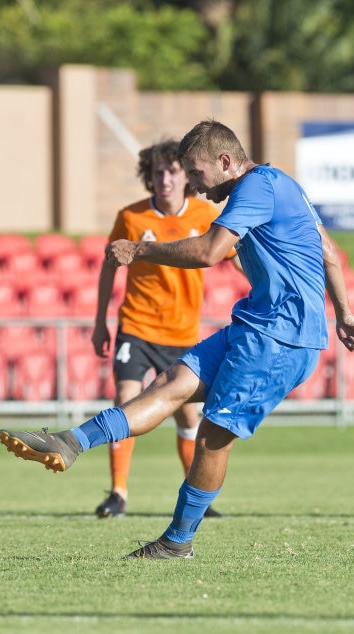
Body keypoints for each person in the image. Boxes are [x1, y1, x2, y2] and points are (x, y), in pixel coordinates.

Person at [0, 119, 354, 558]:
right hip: (256, 324)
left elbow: (210, 251)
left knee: (213, 434)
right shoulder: (282, 185)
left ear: (226, 162)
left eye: (196, 174)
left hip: (280, 338)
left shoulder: (257, 187)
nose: (193, 186)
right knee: (171, 383)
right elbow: (328, 251)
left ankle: (178, 541)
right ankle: (71, 441)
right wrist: (343, 312)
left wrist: (140, 249)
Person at [91, 139, 239, 519]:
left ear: (186, 176)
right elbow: (110, 264)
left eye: (172, 170)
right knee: (127, 398)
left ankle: (197, 498)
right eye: (158, 172)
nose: (165, 178)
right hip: (136, 327)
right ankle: (119, 493)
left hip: (182, 333)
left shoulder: (205, 216)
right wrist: (100, 323)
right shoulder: (131, 217)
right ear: (149, 177)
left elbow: (233, 255)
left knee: (190, 417)